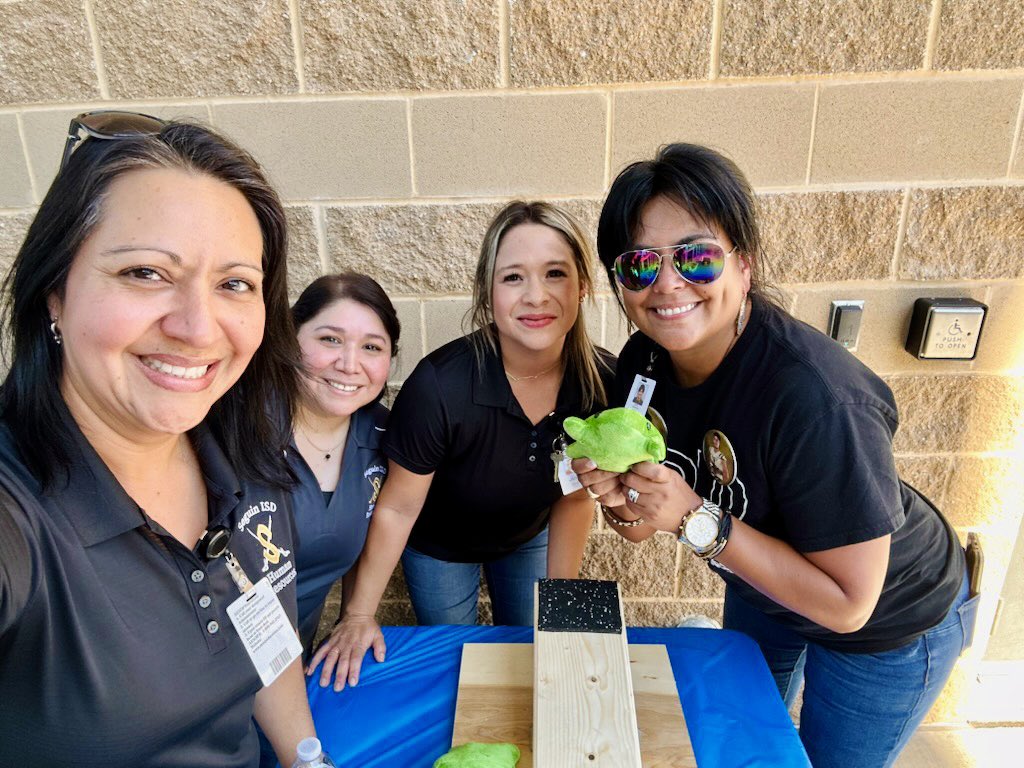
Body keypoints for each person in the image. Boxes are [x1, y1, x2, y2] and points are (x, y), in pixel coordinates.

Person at [574, 144, 975, 768]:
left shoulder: (816, 398)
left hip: (889, 623)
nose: (668, 284)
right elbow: (636, 526)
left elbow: (848, 606)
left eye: (698, 258)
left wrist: (693, 518)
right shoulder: (642, 364)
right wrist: (617, 497)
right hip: (766, 584)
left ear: (745, 265)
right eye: (640, 265)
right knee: (745, 736)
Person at [0, 112, 317, 767]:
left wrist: (308, 760)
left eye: (235, 284)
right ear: (54, 292)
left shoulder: (242, 457)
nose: (199, 328)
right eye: (146, 272)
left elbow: (267, 633)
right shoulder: (18, 519)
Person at [307, 200, 615, 691]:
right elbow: (397, 509)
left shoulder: (601, 381)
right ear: (487, 293)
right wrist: (358, 613)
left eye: (554, 273)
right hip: (440, 548)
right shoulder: (440, 386)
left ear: (582, 285)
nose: (536, 296)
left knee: (536, 648)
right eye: (513, 277)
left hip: (528, 536)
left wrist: (562, 604)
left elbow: (576, 495)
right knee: (459, 661)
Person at [288, 273, 399, 654]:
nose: (350, 364)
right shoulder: (240, 432)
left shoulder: (386, 437)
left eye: (372, 347)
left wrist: (357, 615)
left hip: (292, 656)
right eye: (330, 340)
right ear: (289, 339)